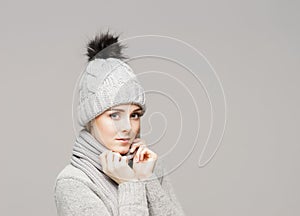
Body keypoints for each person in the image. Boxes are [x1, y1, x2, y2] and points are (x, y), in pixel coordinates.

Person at [53, 32, 185, 216]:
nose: (128, 127)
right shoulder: (74, 182)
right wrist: (131, 184)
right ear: (91, 118)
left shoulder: (149, 165)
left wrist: (146, 177)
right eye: (114, 115)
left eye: (135, 115)